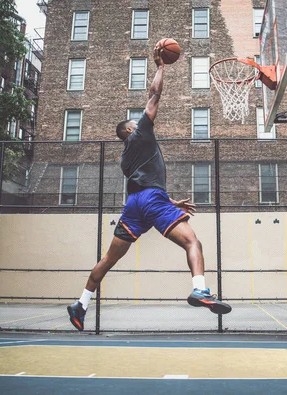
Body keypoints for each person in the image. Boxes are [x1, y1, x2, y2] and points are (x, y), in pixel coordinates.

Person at [67, 44, 231, 331]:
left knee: (109, 258)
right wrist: (161, 66)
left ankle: (80, 304)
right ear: (131, 129)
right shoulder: (140, 132)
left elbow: (141, 185)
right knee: (193, 243)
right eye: (136, 120)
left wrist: (171, 203)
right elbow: (155, 95)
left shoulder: (125, 158)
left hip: (134, 205)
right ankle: (200, 289)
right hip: (152, 200)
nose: (141, 120)